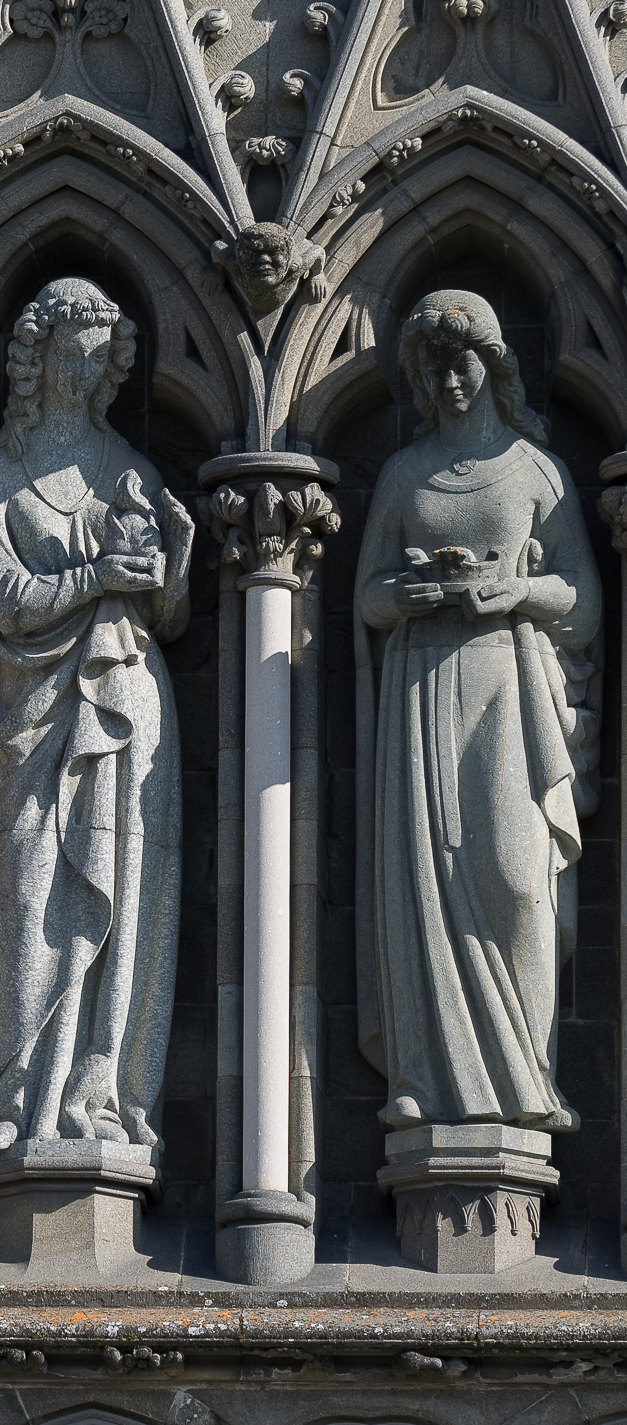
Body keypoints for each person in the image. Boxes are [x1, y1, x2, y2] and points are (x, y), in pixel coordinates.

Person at [0, 278, 193, 1159]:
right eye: (71, 354)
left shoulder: (132, 473)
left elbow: (167, 616)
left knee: (123, 901)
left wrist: (175, 561)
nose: (85, 372)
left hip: (127, 700)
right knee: (29, 899)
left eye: (100, 359)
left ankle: (101, 1091)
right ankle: (20, 1093)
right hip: (31, 713)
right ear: (35, 356)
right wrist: (99, 577)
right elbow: (7, 599)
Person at [353, 289, 600, 1132]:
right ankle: (424, 1075)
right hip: (421, 690)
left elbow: (583, 600)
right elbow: (369, 594)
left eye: (460, 363)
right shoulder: (404, 474)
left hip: (509, 691)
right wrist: (408, 594)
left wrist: (516, 590)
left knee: (518, 880)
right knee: (424, 880)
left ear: (491, 364)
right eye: (432, 368)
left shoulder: (537, 471)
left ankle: (527, 1072)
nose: (449, 381)